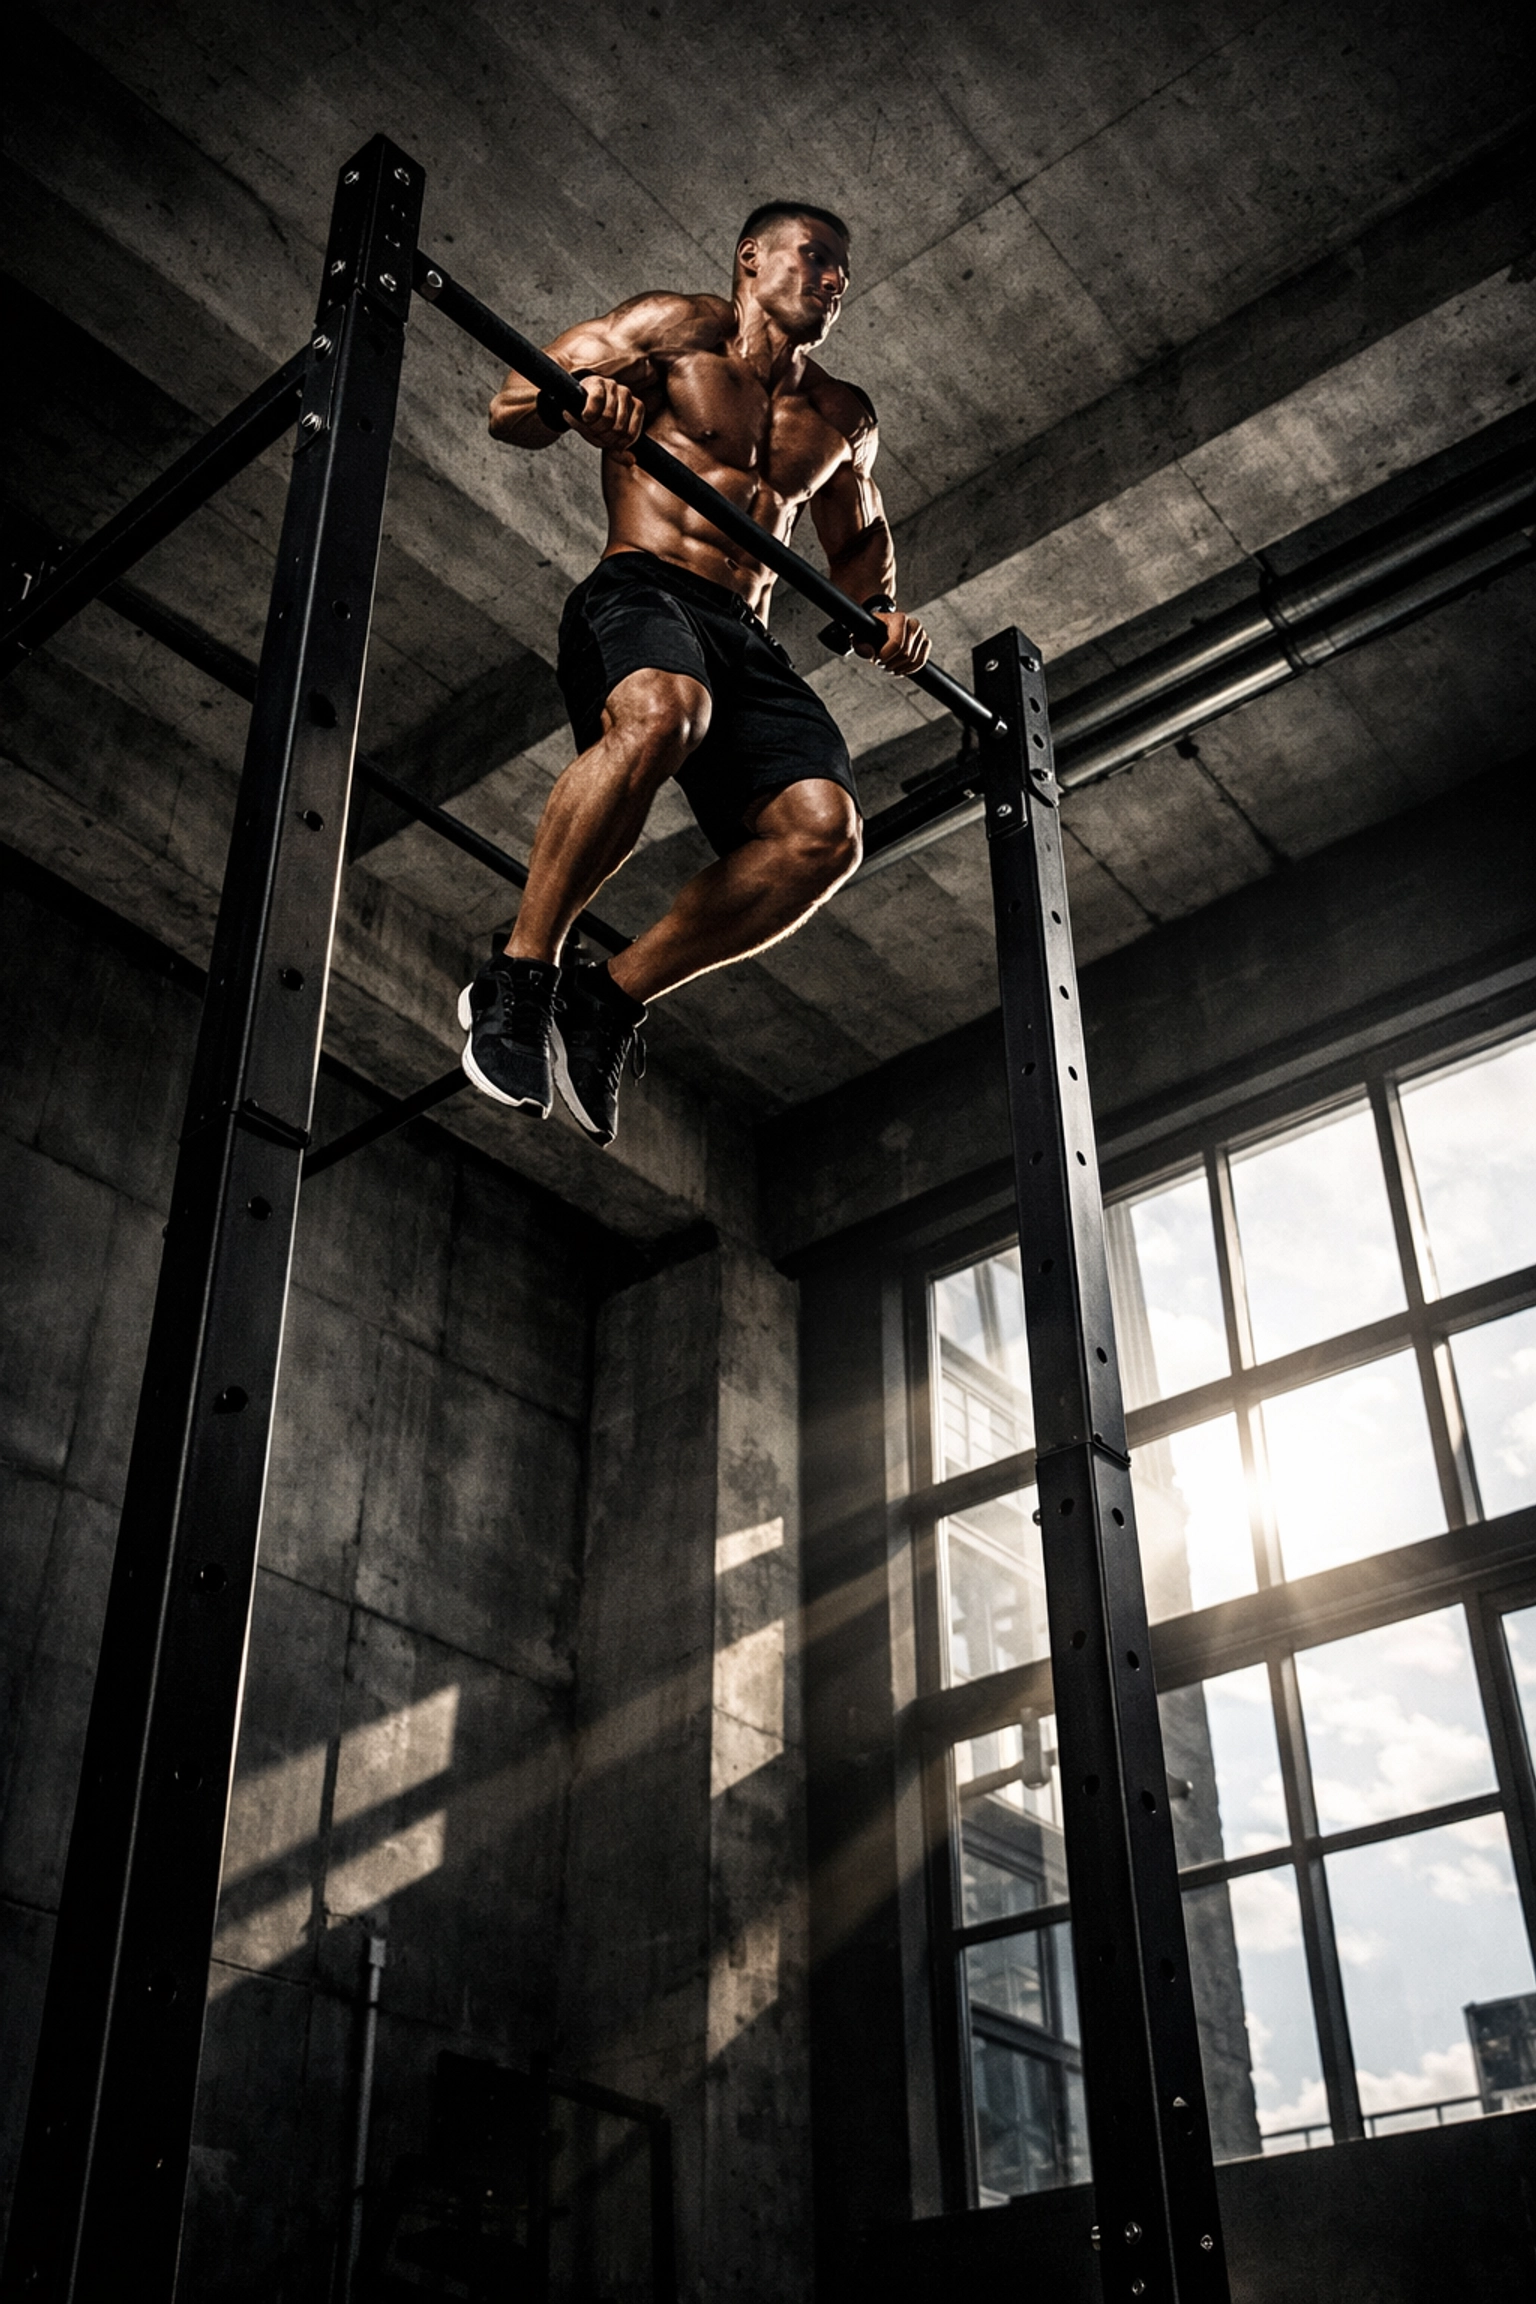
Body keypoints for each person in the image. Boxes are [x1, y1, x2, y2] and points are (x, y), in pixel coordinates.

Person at [461, 201, 931, 1147]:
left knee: (825, 835)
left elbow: (859, 540)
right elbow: (510, 406)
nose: (834, 279)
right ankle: (518, 977)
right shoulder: (671, 331)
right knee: (667, 709)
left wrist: (875, 614)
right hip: (642, 589)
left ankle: (607, 1001)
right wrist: (578, 400)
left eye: (844, 269)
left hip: (748, 633)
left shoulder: (843, 414)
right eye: (815, 257)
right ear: (750, 260)